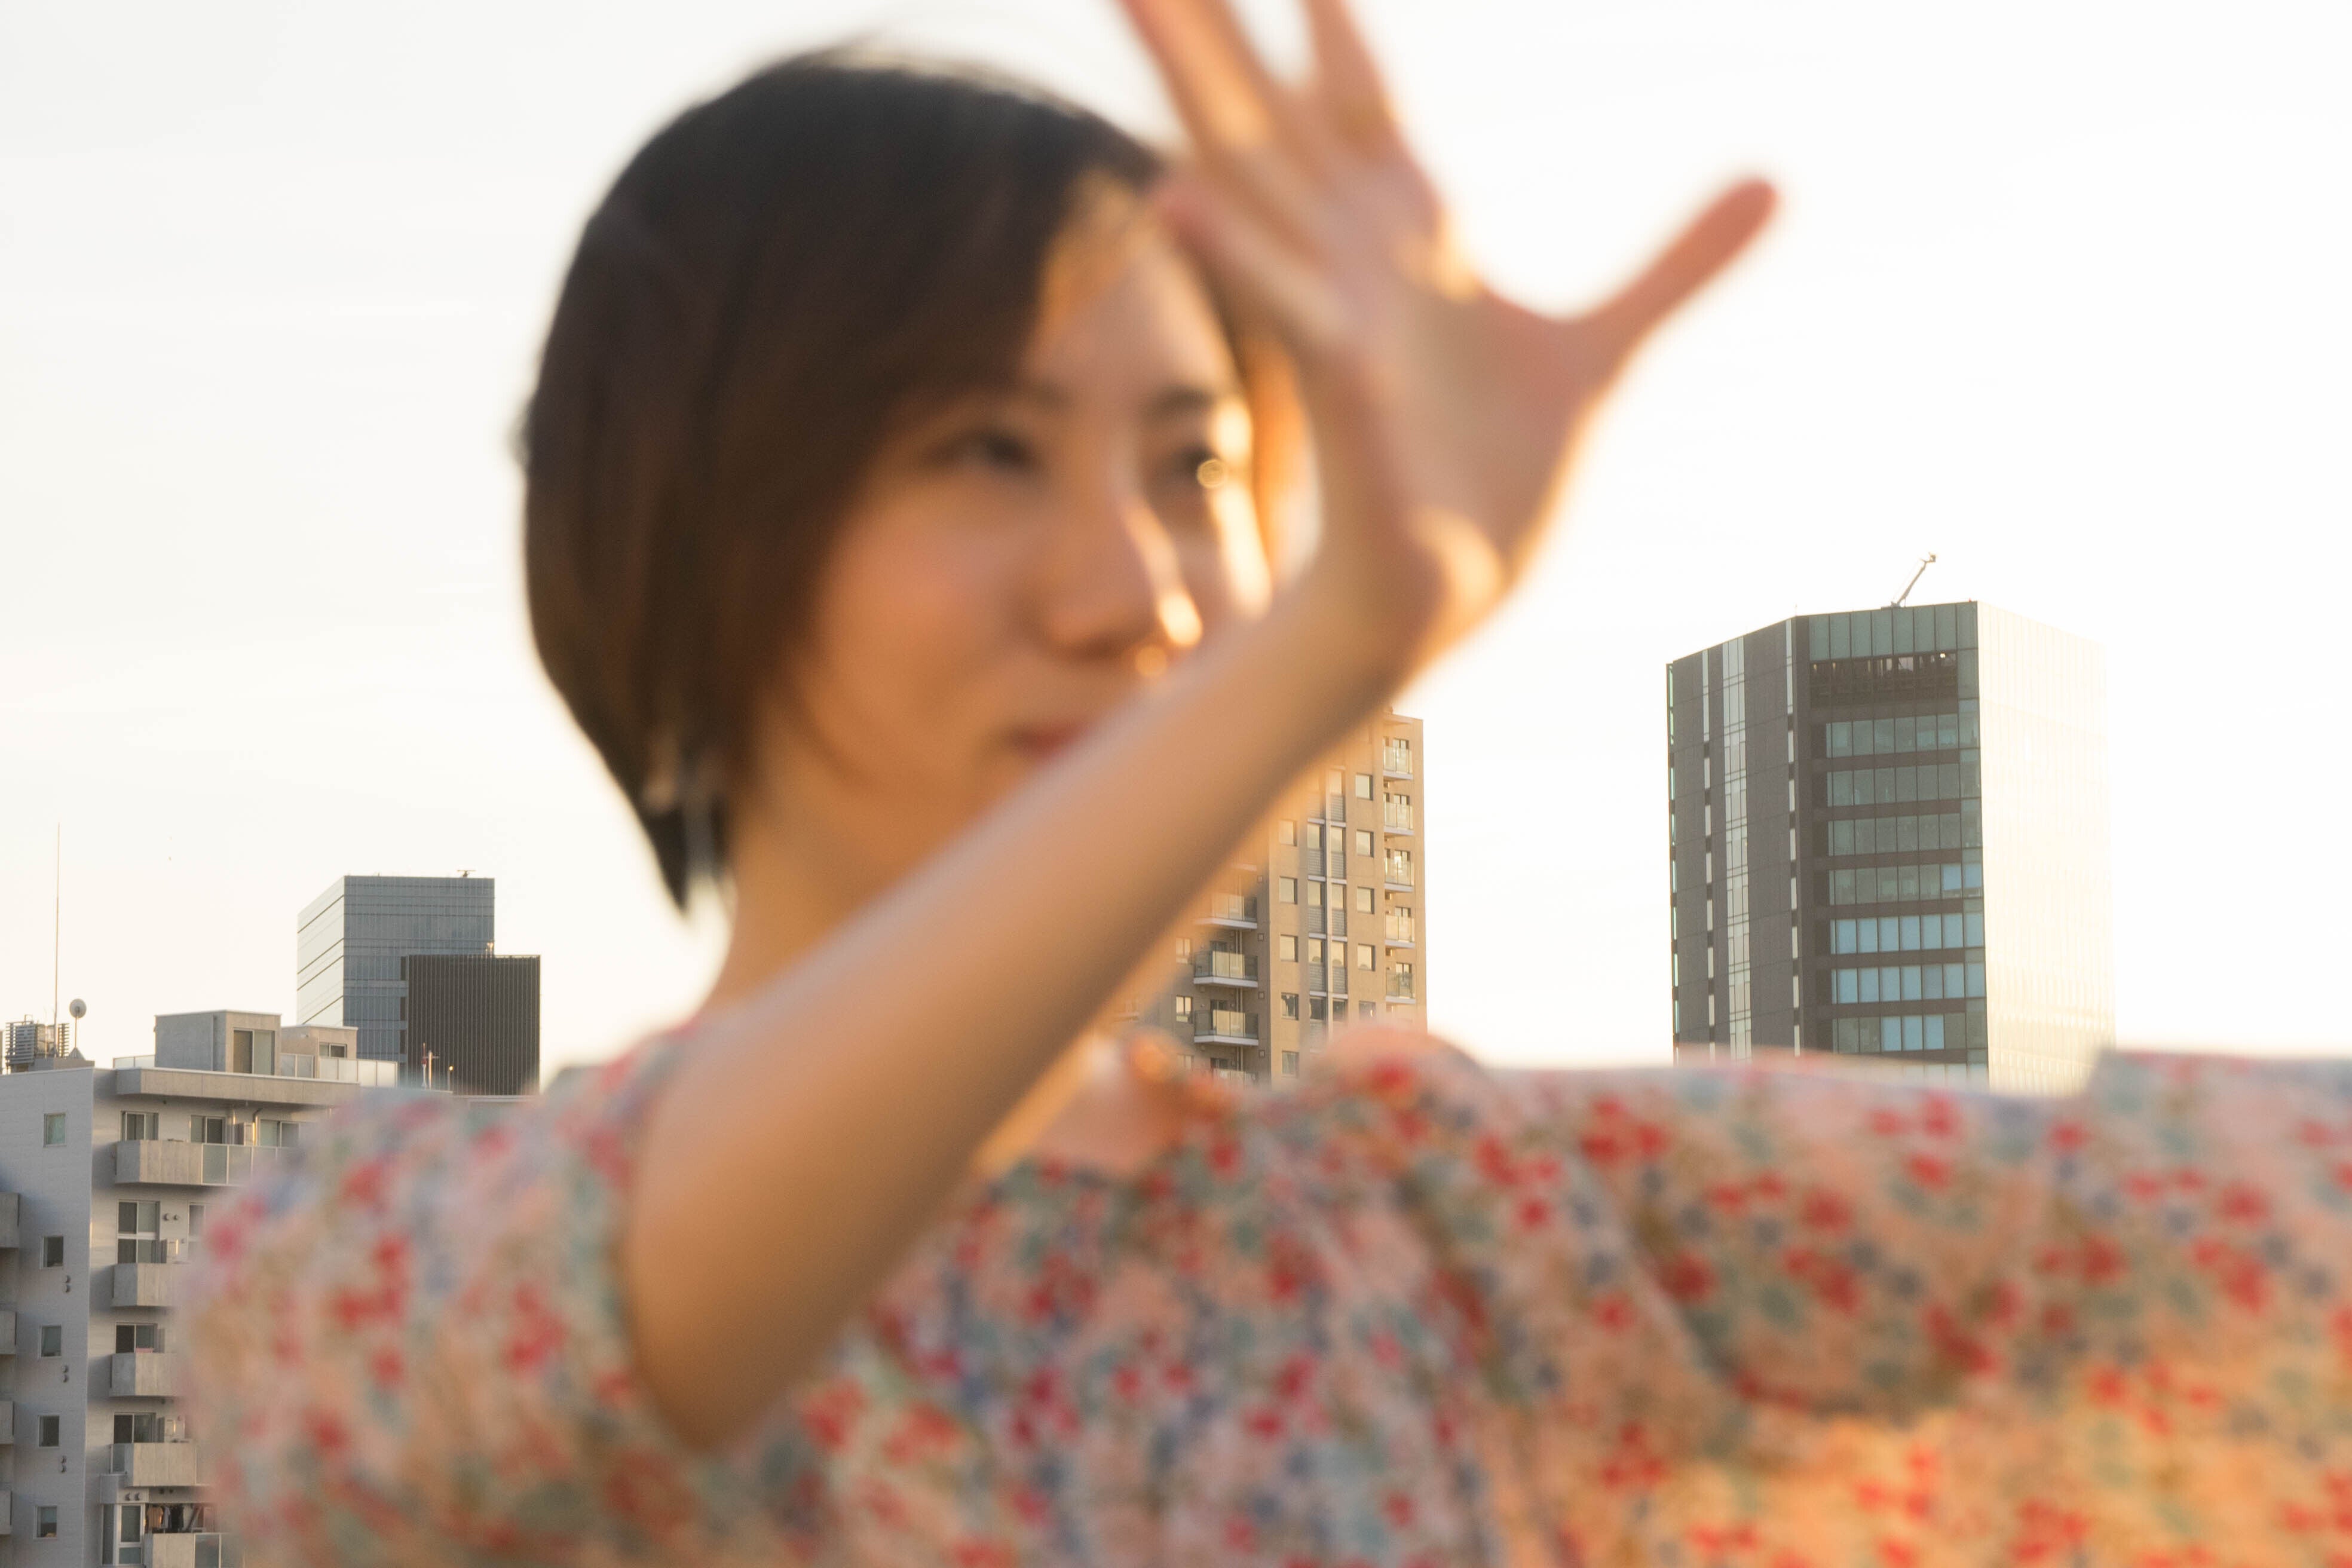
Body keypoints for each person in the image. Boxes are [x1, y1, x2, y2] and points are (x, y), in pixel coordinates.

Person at [186, 2, 2352, 1564]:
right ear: (689, 534)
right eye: (985, 448)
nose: (1136, 587)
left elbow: (2189, 1226)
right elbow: (610, 1316)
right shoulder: (345, 1262)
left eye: (1196, 465)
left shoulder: (1442, 1219)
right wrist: (1340, 642)